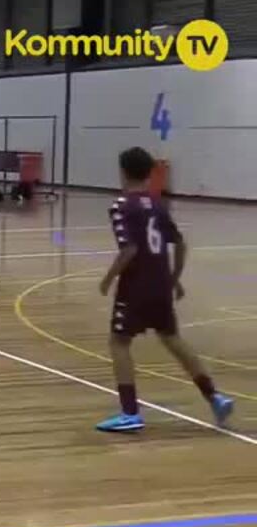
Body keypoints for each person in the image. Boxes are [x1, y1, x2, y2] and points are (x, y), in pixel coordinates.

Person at [95, 147, 235, 433]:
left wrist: (108, 279)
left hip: (134, 287)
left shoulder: (121, 205)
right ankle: (215, 397)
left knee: (119, 342)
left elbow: (130, 249)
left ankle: (130, 412)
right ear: (150, 173)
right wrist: (173, 279)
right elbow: (180, 244)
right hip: (159, 285)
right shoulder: (159, 205)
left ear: (122, 171)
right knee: (173, 340)